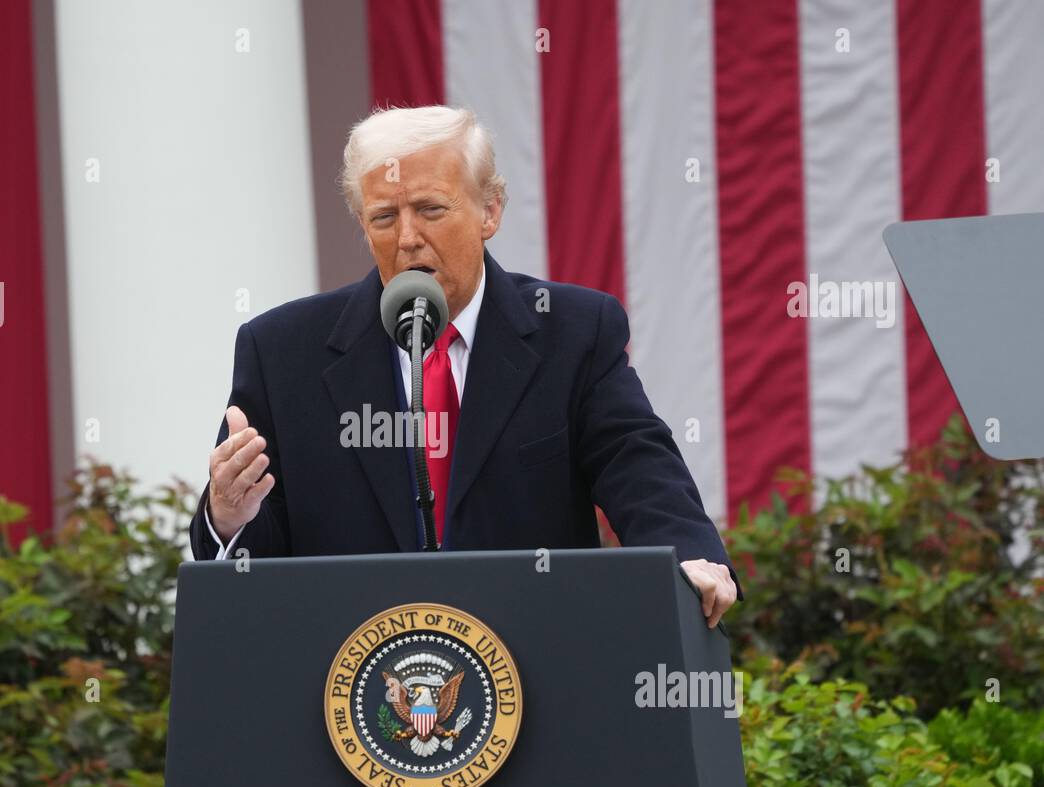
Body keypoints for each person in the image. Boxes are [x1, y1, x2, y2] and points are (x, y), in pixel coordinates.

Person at [189, 105, 740, 628]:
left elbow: (636, 463)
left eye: (430, 209)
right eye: (384, 217)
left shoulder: (572, 331)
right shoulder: (283, 351)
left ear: (490, 211)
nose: (407, 238)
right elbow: (249, 556)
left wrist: (691, 554)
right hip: (348, 677)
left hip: (532, 664)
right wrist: (228, 516)